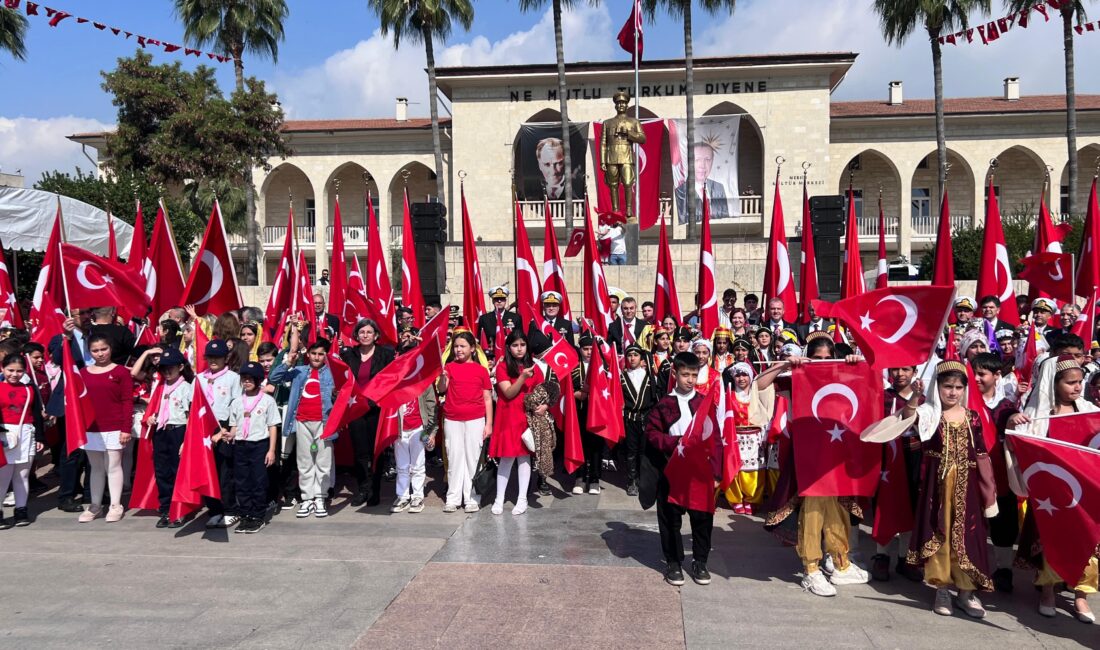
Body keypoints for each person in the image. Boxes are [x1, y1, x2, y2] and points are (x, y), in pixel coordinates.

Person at [898, 360, 995, 618]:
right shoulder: (930, 413)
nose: (953, 392)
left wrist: (989, 491)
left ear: (965, 389)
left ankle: (966, 592)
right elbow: (908, 420)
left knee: (967, 535)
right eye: (947, 386)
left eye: (958, 387)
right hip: (937, 487)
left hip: (968, 488)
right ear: (937, 387)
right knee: (940, 532)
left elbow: (982, 453)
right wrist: (916, 395)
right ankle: (941, 589)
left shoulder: (972, 417)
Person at [1008, 354, 1097, 623]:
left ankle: (1080, 595)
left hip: (1083, 495)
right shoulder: (1038, 415)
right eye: (1071, 382)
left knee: (1089, 544)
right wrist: (1013, 424)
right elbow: (1019, 448)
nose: (1077, 387)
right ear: (1053, 383)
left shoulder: (1090, 412)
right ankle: (1048, 589)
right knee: (1052, 543)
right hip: (1053, 496)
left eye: (1080, 381)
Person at [643, 352, 715, 585]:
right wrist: (676, 443)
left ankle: (700, 562)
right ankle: (673, 563)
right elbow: (652, 435)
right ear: (675, 373)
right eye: (685, 375)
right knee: (670, 519)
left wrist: (717, 472)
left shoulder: (703, 402)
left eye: (694, 375)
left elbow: (715, 436)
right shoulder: (663, 405)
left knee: (702, 518)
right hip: (671, 470)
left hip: (699, 472)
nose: (690, 380)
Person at [870, 365, 924, 583]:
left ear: (914, 372)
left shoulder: (925, 399)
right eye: (895, 370)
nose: (900, 374)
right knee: (885, 504)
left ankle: (905, 558)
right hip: (887, 458)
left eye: (905, 369)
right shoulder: (881, 397)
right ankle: (881, 556)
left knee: (911, 505)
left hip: (915, 456)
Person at [272, 337, 336, 518]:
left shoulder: (332, 373)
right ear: (308, 354)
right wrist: (287, 362)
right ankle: (307, 498)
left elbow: (342, 394)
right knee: (305, 461)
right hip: (301, 421)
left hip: (324, 422)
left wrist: (336, 395)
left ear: (326, 356)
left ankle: (320, 497)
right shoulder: (299, 371)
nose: (316, 357)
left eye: (320, 354)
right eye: (313, 353)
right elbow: (274, 377)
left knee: (323, 462)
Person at [78, 334, 134, 523]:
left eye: (104, 349)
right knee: (96, 467)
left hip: (115, 427)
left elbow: (127, 401)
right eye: (95, 350)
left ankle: (116, 504)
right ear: (90, 352)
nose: (100, 353)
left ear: (110, 349)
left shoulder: (121, 372)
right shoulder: (83, 373)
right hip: (91, 428)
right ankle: (95, 505)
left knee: (113, 465)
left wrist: (126, 428)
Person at [340, 319, 395, 507]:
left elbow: (390, 380)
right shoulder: (348, 354)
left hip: (376, 409)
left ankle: (374, 490)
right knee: (360, 452)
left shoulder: (385, 354)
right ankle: (363, 489)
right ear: (356, 335)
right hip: (356, 409)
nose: (365, 335)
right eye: (361, 332)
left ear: (376, 335)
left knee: (376, 452)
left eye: (369, 332)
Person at [491, 330, 546, 515]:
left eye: (523, 344)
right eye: (515, 345)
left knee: (524, 458)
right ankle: (499, 498)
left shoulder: (535, 368)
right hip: (507, 418)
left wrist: (544, 406)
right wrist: (523, 377)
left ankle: (522, 498)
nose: (519, 349)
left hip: (526, 418)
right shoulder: (503, 367)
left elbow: (543, 392)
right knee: (506, 458)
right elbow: (508, 393)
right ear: (509, 347)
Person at [438, 332, 493, 513]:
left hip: (475, 419)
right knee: (454, 458)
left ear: (472, 348)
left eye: (462, 346)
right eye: (456, 346)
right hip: (452, 419)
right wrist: (443, 377)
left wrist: (489, 424)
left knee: (473, 458)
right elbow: (442, 389)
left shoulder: (481, 370)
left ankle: (472, 497)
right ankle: (453, 497)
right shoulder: (450, 367)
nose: (459, 349)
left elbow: (487, 398)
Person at [196, 339, 242, 528]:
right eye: (210, 357)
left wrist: (226, 430)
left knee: (225, 471)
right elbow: (194, 406)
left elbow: (237, 406)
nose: (213, 360)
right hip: (203, 426)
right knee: (206, 471)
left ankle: (230, 510)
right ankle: (214, 510)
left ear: (226, 357)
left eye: (218, 357)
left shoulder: (233, 378)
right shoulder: (199, 378)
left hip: (223, 426)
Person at [229, 362, 279, 533]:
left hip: (259, 445)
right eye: (244, 379)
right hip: (241, 445)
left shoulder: (267, 401)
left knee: (258, 481)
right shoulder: (236, 402)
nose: (247, 381)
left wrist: (271, 450)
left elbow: (272, 426)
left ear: (258, 380)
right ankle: (245, 514)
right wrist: (230, 434)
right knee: (242, 481)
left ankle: (258, 515)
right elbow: (234, 425)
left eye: (251, 379)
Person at [146, 348, 192, 528]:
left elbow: (190, 417)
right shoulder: (161, 387)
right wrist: (152, 417)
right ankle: (166, 509)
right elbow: (156, 408)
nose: (167, 371)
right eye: (163, 368)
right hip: (161, 430)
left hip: (178, 431)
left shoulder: (186, 388)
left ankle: (179, 511)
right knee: (162, 472)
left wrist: (185, 441)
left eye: (171, 367)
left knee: (177, 472)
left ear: (180, 367)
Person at [391, 342, 438, 514]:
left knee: (418, 465)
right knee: (402, 466)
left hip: (419, 428)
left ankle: (417, 496)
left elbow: (432, 406)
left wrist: (431, 432)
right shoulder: (394, 381)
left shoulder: (423, 380)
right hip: (399, 430)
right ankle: (402, 495)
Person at [0, 353, 45, 528]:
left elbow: (36, 415)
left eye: (19, 371)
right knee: (3, 477)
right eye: (11, 370)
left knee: (22, 475)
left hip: (26, 432)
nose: (14, 374)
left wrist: (40, 437)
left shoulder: (30, 388)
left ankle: (21, 510)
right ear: (3, 368)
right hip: (4, 435)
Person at [724, 362, 769, 515]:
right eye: (738, 375)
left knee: (755, 470)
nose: (741, 379)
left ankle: (751, 499)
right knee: (734, 469)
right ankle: (736, 499)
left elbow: (765, 416)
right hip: (735, 437)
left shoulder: (757, 396)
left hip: (754, 438)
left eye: (744, 375)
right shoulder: (728, 396)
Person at [621, 344, 656, 497]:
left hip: (646, 418)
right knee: (631, 452)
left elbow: (655, 398)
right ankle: (632, 481)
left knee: (644, 452)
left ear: (641, 358)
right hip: (629, 419)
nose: (632, 358)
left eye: (635, 355)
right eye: (629, 355)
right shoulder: (622, 376)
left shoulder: (649, 376)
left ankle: (643, 480)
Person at [674, 141, 729, 223]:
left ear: (712, 161)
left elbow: (725, 217)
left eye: (707, 159)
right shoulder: (681, 191)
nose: (702, 165)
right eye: (697, 160)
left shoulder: (719, 187)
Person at [572, 333, 599, 494]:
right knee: (580, 444)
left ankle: (595, 478)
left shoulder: (601, 366)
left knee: (595, 445)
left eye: (591, 349)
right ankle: (580, 477)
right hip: (579, 410)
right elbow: (567, 387)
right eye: (585, 349)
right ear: (580, 350)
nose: (588, 352)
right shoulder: (574, 367)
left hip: (596, 412)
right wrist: (576, 393)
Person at [477, 286, 522, 361]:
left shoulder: (515, 318)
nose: (499, 301)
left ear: (505, 300)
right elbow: (480, 339)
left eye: (502, 299)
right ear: (492, 301)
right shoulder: (484, 319)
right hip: (491, 357)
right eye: (496, 299)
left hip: (511, 356)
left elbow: (520, 338)